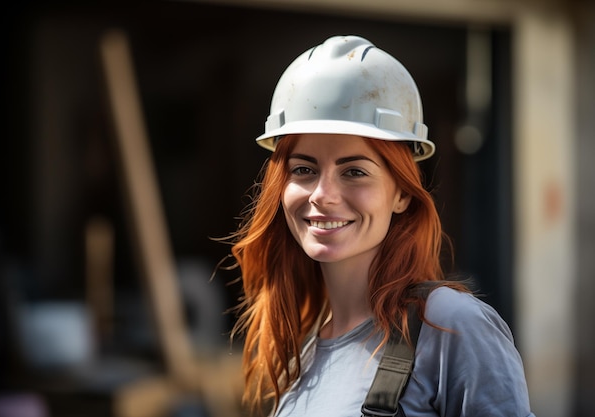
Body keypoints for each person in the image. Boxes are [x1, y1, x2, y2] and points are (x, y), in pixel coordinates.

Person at [222, 35, 535, 417]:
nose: (323, 194)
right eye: (303, 169)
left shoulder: (450, 327)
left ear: (401, 194)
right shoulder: (304, 354)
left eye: (354, 172)